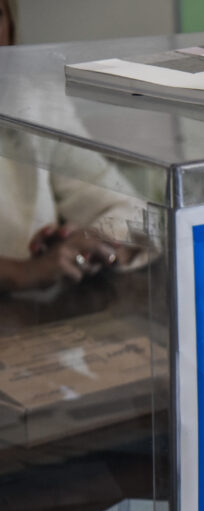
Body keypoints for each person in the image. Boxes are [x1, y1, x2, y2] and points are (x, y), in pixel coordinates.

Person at [0, 0, 141, 293]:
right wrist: (21, 272)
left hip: (40, 312)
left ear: (11, 28)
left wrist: (91, 245)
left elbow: (130, 210)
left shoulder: (36, 106)